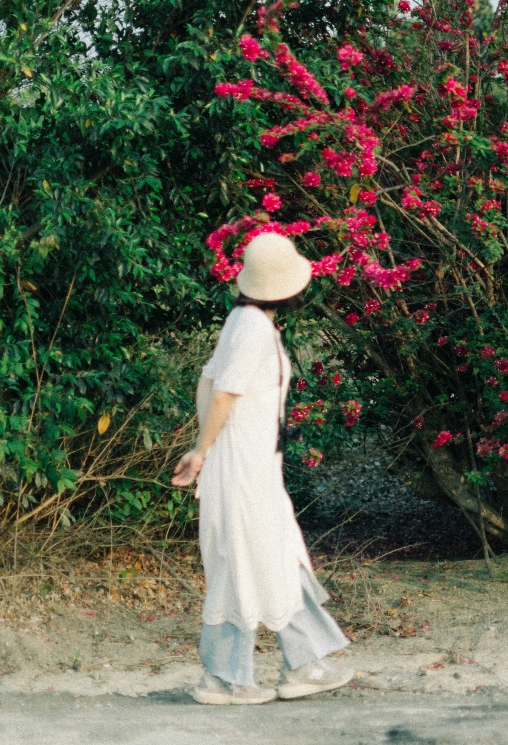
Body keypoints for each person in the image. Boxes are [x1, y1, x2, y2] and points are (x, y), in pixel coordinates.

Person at [171, 232, 354, 705]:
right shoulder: (251, 328)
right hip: (244, 469)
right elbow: (224, 390)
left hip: (252, 464)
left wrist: (205, 448)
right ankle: (229, 678)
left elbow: (208, 380)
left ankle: (301, 664)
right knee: (247, 561)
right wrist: (205, 448)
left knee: (272, 555)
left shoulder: (244, 320)